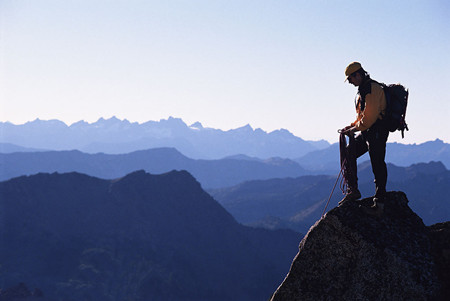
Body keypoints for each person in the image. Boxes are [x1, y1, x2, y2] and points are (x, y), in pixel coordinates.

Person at [339, 62, 389, 214]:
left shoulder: (372, 89)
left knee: (377, 163)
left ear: (358, 75)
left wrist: (354, 129)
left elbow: (370, 118)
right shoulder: (363, 89)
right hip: (369, 131)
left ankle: (379, 204)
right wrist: (352, 126)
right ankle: (353, 190)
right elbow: (363, 116)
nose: (350, 82)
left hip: (377, 131)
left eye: (351, 79)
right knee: (349, 153)